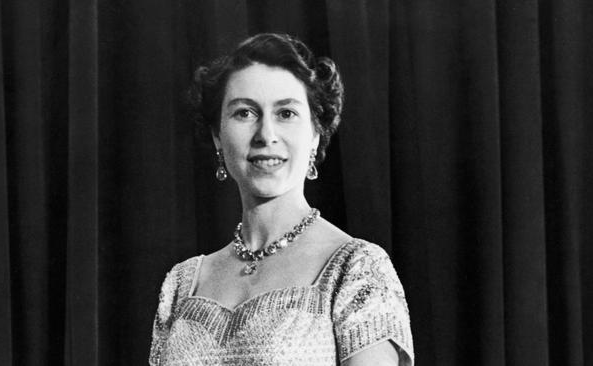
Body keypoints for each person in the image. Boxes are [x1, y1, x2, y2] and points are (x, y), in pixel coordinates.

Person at [149, 33, 414, 366]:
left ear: (316, 134)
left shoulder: (356, 269)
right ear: (218, 134)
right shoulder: (181, 284)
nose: (266, 135)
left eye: (286, 113)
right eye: (245, 113)